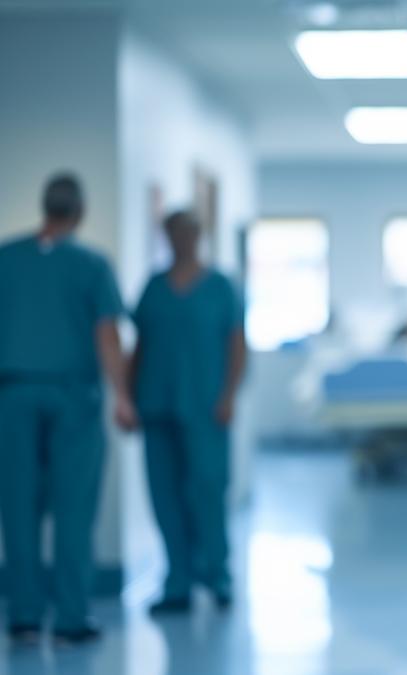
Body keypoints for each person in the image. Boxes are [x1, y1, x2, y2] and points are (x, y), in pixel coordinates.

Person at [0, 172, 136, 646]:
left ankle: (23, 618)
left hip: (12, 396)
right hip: (73, 397)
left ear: (44, 207)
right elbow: (107, 335)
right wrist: (123, 395)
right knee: (74, 509)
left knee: (18, 508)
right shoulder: (91, 264)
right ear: (79, 213)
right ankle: (72, 619)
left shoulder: (6, 260)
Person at [130, 210, 246, 613]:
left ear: (200, 236)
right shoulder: (154, 288)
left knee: (208, 490)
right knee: (165, 495)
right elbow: (139, 348)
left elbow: (236, 345)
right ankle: (176, 581)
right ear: (167, 237)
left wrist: (230, 394)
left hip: (206, 407)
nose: (182, 240)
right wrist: (128, 398)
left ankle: (218, 575)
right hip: (156, 405)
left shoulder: (221, 287)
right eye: (174, 233)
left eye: (189, 233)